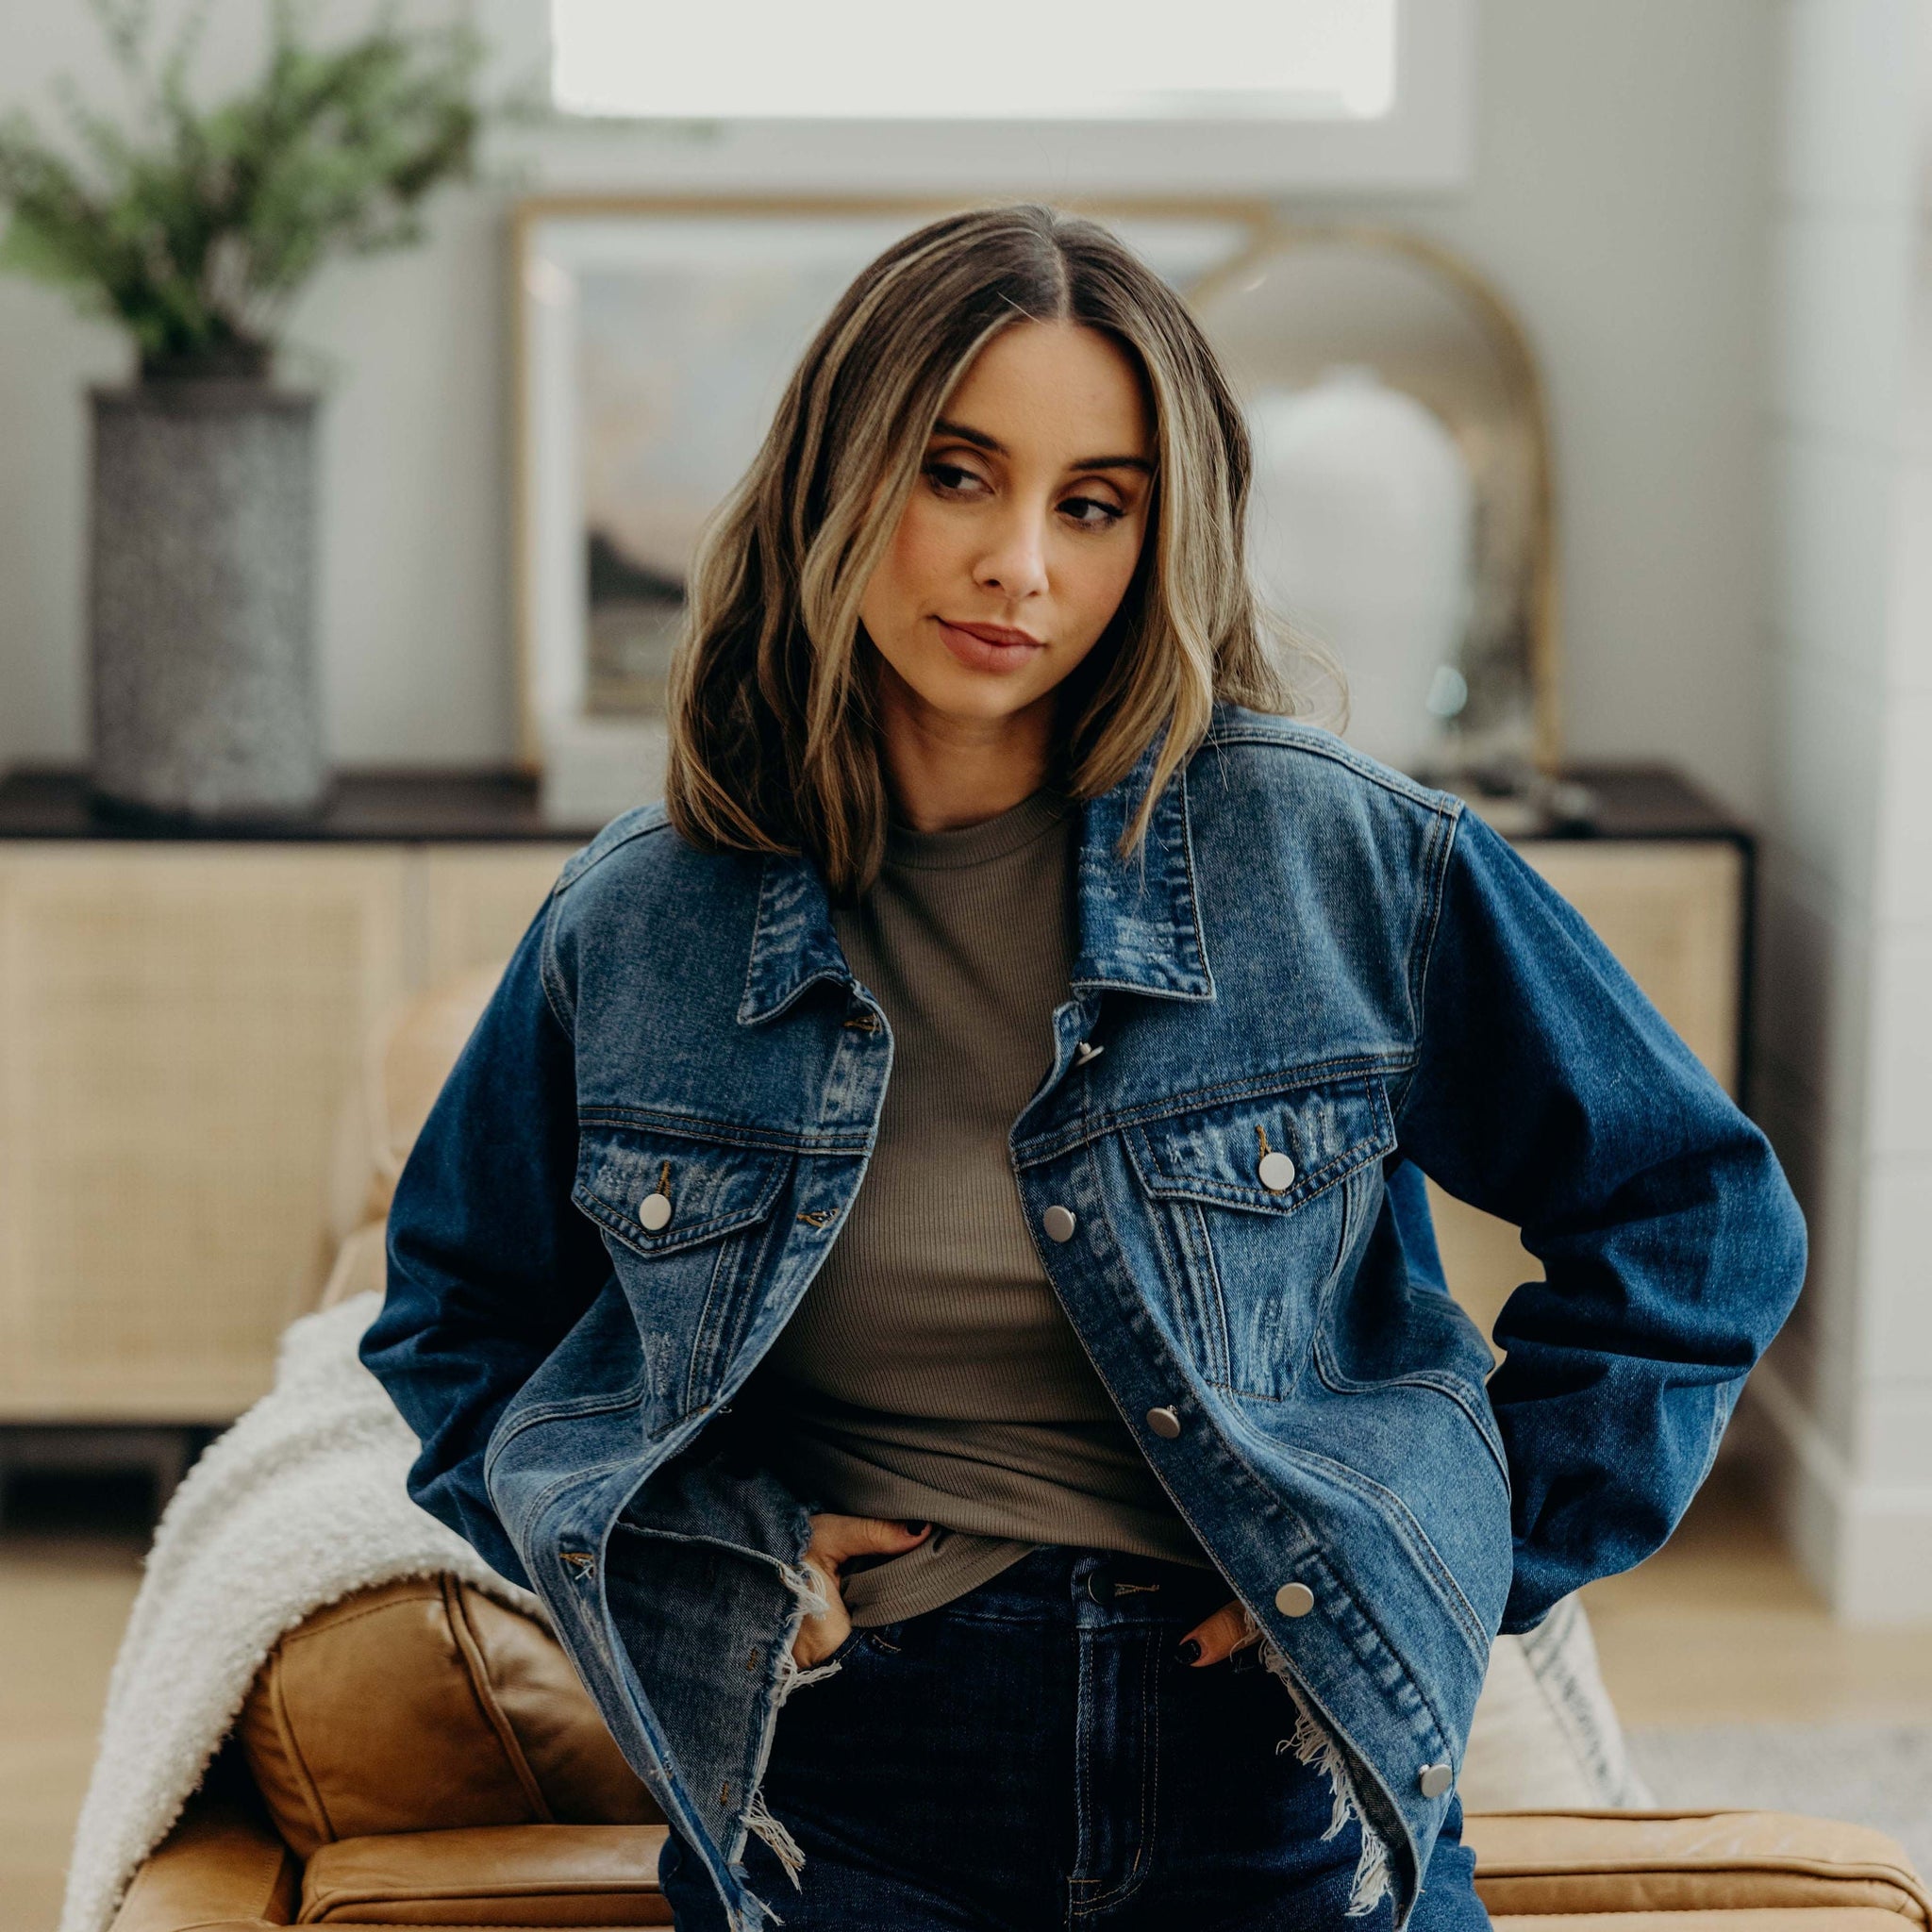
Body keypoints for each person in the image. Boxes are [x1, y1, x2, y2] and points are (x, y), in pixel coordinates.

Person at [360, 203, 1806, 1932]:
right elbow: (455, 1313)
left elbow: (1692, 1214)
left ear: (1159, 537)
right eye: (958, 476)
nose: (1019, 567)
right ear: (840, 476)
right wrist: (711, 1547)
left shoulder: (1330, 855)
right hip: (845, 1779)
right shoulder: (642, 923)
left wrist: (1459, 1551)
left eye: (1093, 505)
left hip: (1275, 1757)